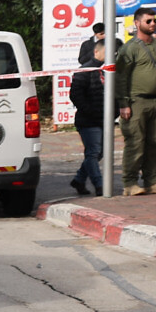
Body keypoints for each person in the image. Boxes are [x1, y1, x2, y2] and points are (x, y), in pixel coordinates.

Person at [117, 7, 156, 195]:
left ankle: (152, 180)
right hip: (136, 102)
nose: (153, 24)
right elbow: (121, 77)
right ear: (137, 23)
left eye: (155, 21)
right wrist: (124, 103)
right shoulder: (130, 48)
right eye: (149, 21)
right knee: (135, 142)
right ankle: (129, 183)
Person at [69, 40, 106, 197]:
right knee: (93, 152)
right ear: (96, 52)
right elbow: (75, 95)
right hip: (88, 120)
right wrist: (90, 111)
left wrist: (115, 111)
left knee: (99, 153)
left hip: (103, 118)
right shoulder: (85, 71)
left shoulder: (109, 70)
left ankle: (79, 180)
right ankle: (99, 185)